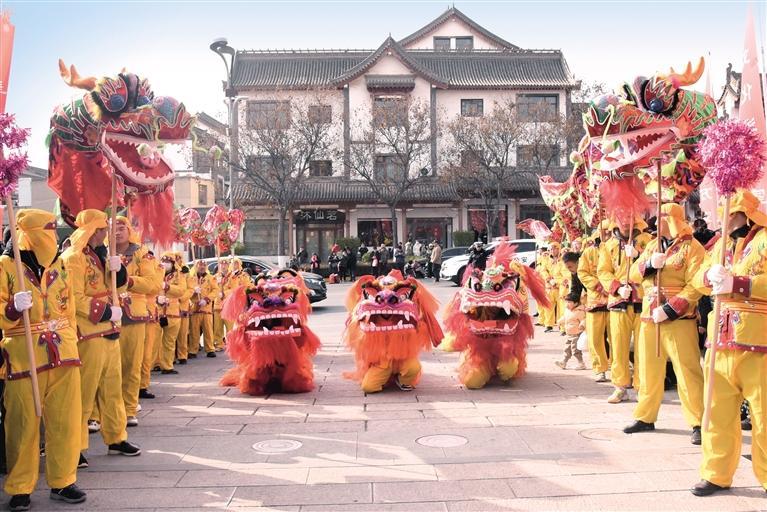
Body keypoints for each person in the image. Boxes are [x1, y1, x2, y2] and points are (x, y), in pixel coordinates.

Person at [0, 209, 86, 509]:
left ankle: (63, 481)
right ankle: (20, 486)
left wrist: (73, 340)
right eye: (47, 231)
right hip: (24, 357)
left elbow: (70, 308)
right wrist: (12, 308)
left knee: (65, 421)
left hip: (63, 353)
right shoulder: (6, 266)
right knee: (23, 424)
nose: (52, 237)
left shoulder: (59, 265)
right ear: (29, 234)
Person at [689, 190, 767, 497]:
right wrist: (709, 277)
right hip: (720, 341)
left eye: (727, 211)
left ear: (740, 214)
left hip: (758, 343)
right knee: (716, 413)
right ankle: (716, 473)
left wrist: (740, 283)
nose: (720, 216)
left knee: (764, 417)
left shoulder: (765, 240)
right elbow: (697, 279)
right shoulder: (719, 245)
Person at [62, 210, 140, 471]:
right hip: (88, 332)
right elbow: (74, 297)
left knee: (112, 390)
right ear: (91, 231)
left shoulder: (103, 255)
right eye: (101, 229)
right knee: (83, 394)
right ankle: (74, 447)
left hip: (109, 330)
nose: (106, 233)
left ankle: (116, 437)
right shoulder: (73, 258)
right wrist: (105, 311)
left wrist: (119, 271)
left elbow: (118, 288)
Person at [624, 204, 705, 446]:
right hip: (649, 316)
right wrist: (649, 264)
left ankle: (698, 422)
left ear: (674, 220)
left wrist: (670, 308)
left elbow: (696, 285)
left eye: (662, 218)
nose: (656, 222)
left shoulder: (693, 247)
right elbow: (634, 274)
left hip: (678, 318)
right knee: (648, 369)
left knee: (687, 371)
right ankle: (645, 416)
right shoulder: (652, 245)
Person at [597, 217, 652, 404]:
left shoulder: (648, 241)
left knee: (643, 347)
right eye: (622, 219)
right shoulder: (608, 246)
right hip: (619, 301)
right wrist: (617, 288)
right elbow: (603, 271)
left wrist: (638, 256)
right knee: (618, 346)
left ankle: (641, 387)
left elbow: (656, 267)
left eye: (629, 218)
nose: (626, 223)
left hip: (642, 300)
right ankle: (620, 386)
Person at [113, 216, 160, 427]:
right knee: (107, 367)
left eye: (121, 228)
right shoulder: (102, 252)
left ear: (129, 230)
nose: (117, 232)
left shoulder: (142, 253)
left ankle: (129, 409)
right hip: (108, 314)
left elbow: (151, 284)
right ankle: (99, 413)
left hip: (134, 314)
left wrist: (128, 280)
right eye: (113, 228)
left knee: (132, 364)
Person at [577, 222, 612, 382]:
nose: (606, 234)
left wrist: (611, 286)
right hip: (595, 300)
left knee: (616, 338)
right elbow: (582, 273)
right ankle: (600, 369)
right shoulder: (588, 252)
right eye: (603, 231)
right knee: (595, 338)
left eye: (609, 231)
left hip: (614, 298)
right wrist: (598, 286)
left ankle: (619, 368)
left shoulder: (617, 249)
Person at [157, 252, 187, 374]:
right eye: (163, 261)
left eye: (168, 262)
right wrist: (157, 298)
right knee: (154, 341)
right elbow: (149, 287)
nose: (165, 264)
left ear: (173, 263)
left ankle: (167, 366)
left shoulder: (179, 275)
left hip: (173, 312)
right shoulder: (156, 273)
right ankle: (155, 364)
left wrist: (168, 287)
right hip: (157, 312)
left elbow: (181, 290)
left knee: (169, 342)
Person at [189, 260, 217, 358]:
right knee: (194, 331)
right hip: (195, 308)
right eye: (200, 265)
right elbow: (186, 291)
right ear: (196, 266)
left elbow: (215, 290)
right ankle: (193, 350)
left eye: (204, 265)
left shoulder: (211, 278)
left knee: (208, 330)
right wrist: (193, 291)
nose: (202, 267)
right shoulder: (191, 278)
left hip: (206, 308)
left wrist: (207, 299)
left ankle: (210, 349)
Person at [555, 292, 587, 370]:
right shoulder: (568, 310)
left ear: (575, 303)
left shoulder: (579, 311)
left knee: (576, 350)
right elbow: (565, 317)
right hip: (569, 334)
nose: (567, 304)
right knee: (567, 349)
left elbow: (584, 319)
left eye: (569, 302)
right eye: (566, 302)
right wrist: (559, 321)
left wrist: (582, 325)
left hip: (576, 334)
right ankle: (563, 362)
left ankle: (581, 363)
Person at [174, 253, 194, 365]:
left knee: (182, 333)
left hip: (182, 306)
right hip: (170, 306)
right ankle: (171, 357)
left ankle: (182, 355)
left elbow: (190, 289)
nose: (177, 260)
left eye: (179, 258)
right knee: (170, 335)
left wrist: (181, 298)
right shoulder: (168, 272)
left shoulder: (186, 272)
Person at [212, 259, 232, 352]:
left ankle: (231, 345)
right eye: (221, 264)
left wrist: (224, 293)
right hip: (218, 305)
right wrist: (218, 292)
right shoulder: (215, 277)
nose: (223, 266)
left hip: (228, 305)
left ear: (228, 265)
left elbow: (234, 288)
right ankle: (219, 344)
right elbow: (212, 289)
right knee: (217, 327)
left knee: (230, 327)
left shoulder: (232, 277)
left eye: (225, 264)